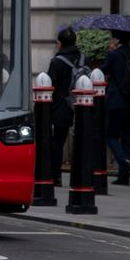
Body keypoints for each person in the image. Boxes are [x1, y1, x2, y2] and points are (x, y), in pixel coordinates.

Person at [47, 26, 85, 186]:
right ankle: (82, 177)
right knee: (83, 140)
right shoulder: (83, 58)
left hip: (61, 107)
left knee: (57, 142)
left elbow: (49, 85)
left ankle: (55, 176)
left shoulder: (57, 62)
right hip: (82, 106)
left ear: (60, 43)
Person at [102, 31, 130, 185]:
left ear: (117, 40)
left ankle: (123, 160)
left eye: (112, 38)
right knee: (127, 137)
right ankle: (123, 176)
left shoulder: (114, 55)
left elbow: (102, 71)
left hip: (116, 101)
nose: (110, 41)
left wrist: (109, 53)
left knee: (111, 135)